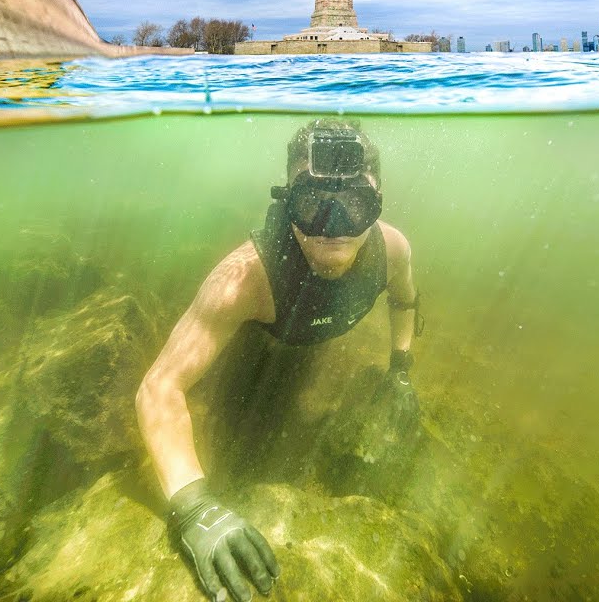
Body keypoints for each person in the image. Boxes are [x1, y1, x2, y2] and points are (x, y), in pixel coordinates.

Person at [135, 120, 421, 601]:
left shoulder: (393, 249)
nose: (332, 228)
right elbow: (158, 387)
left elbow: (405, 302)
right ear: (287, 204)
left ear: (377, 206)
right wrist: (194, 505)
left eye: (353, 204)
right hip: (261, 341)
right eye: (313, 204)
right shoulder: (243, 282)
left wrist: (401, 371)